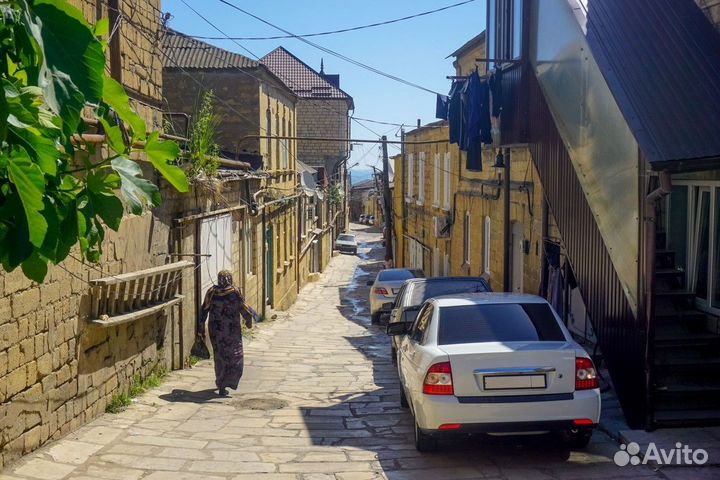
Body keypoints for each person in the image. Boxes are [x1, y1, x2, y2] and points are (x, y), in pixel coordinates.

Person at [198, 270, 255, 396]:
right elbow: (243, 307)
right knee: (236, 356)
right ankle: (229, 382)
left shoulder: (212, 292)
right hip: (231, 331)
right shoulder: (234, 292)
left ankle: (222, 385)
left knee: (220, 358)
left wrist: (201, 328)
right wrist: (248, 320)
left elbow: (204, 310)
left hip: (216, 331)